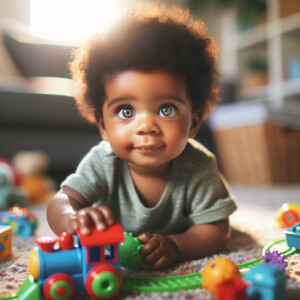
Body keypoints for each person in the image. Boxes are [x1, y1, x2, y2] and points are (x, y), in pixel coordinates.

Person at [47, 2, 237, 271]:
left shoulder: (199, 166)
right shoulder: (103, 162)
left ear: (193, 124)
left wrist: (176, 245)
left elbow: (217, 229)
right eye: (126, 111)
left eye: (166, 109)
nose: (146, 125)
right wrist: (71, 219)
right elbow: (61, 201)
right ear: (102, 126)